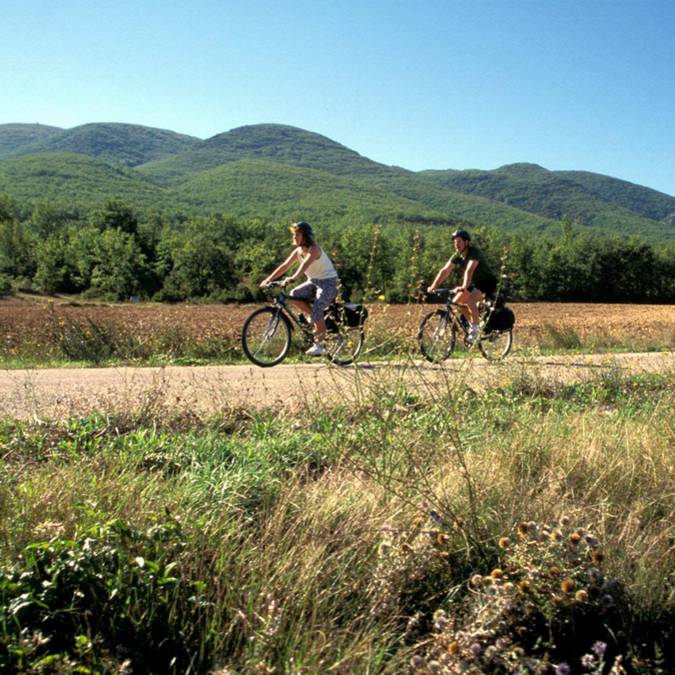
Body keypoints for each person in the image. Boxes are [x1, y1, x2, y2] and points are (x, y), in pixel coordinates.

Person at [260, 221, 339, 356]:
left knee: (318, 307)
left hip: (329, 283)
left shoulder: (314, 250)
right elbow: (284, 266)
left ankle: (321, 345)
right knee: (294, 294)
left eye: (297, 235)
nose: (294, 238)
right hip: (313, 282)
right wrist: (268, 279)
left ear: (305, 236)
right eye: (294, 235)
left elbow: (305, 265)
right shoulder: (298, 251)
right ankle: (316, 320)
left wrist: (293, 278)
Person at [427, 229, 497, 342]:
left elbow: (469, 270)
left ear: (467, 242)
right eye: (455, 242)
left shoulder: (474, 252)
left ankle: (474, 331)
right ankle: (477, 325)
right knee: (457, 303)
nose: (456, 245)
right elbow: (445, 270)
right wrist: (433, 286)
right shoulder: (457, 255)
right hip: (473, 283)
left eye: (459, 242)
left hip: (487, 282)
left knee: (470, 299)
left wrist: (464, 286)